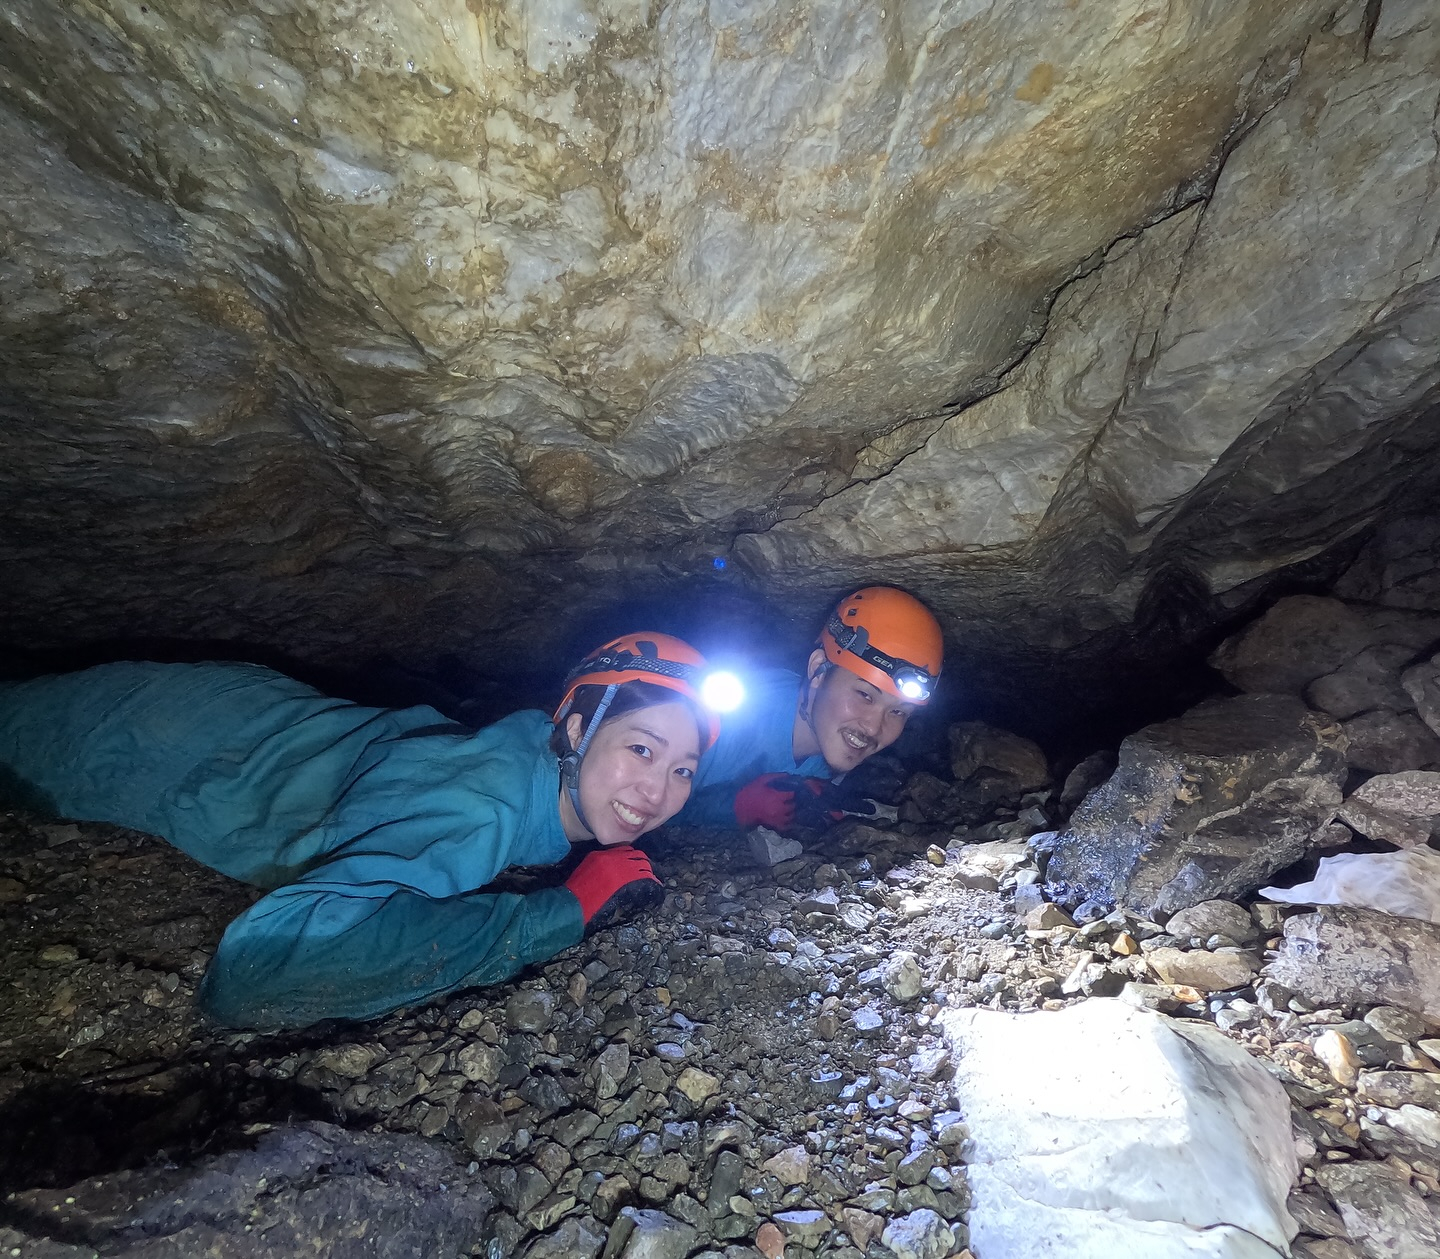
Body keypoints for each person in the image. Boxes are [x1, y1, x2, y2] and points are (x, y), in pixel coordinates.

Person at [0, 633, 724, 1031]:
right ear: (575, 727)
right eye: (641, 748)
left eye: (685, 770)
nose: (658, 790)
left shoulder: (521, 768)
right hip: (172, 734)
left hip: (256, 722)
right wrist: (555, 914)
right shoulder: (485, 804)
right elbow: (257, 971)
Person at [676, 586, 943, 832]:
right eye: (865, 694)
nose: (874, 728)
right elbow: (644, 804)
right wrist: (736, 807)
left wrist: (802, 793)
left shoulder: (828, 751)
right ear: (818, 670)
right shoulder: (721, 719)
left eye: (898, 712)